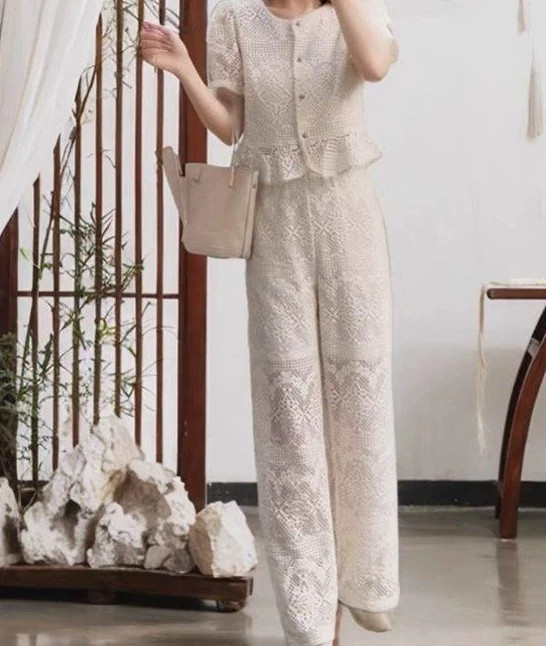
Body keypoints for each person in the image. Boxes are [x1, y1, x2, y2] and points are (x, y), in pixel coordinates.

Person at [140, 1, 399, 643]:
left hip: (349, 221)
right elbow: (232, 127)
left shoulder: (353, 11)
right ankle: (310, 605)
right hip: (276, 228)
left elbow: (374, 65)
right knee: (289, 412)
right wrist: (185, 68)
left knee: (360, 401)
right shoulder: (236, 20)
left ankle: (365, 579)